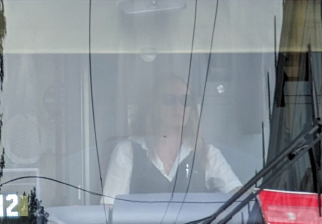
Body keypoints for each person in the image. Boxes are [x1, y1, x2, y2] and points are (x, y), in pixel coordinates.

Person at [103, 76, 242, 203]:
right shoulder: (127, 151)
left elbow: (237, 193)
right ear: (154, 106)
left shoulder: (206, 152)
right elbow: (109, 207)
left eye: (185, 100)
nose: (179, 107)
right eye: (169, 100)